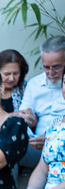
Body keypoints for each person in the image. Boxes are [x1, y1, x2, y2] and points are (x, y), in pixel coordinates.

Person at [14, 36, 65, 166]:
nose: (51, 73)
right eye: (46, 67)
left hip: (62, 147)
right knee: (7, 148)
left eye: (56, 67)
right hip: (37, 147)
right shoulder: (34, 84)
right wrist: (29, 122)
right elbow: (23, 116)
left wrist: (52, 140)